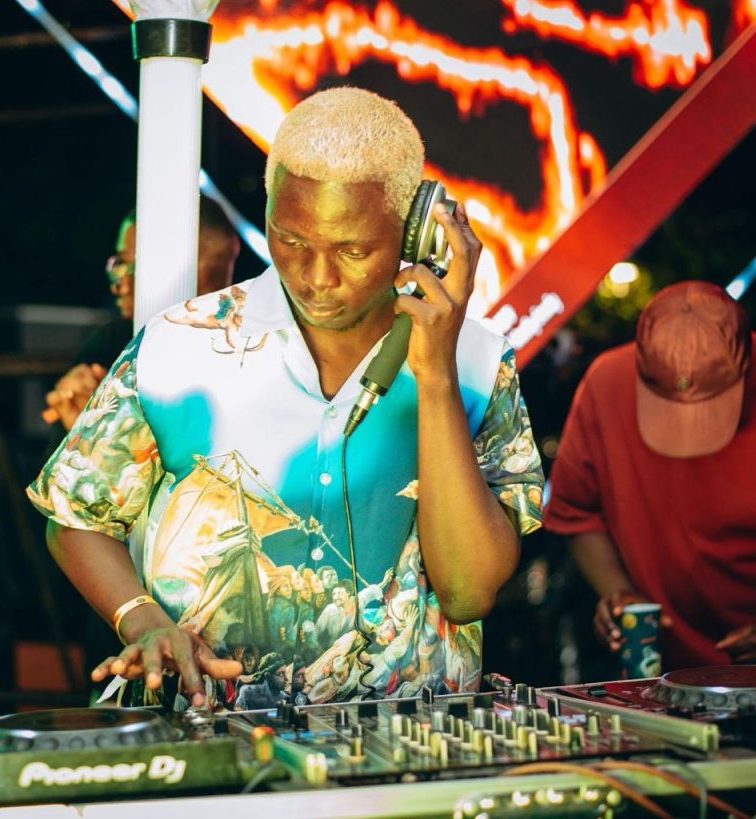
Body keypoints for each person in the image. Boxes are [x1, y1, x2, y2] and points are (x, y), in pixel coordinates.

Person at [27, 87, 543, 709]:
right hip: (201, 737)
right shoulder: (179, 344)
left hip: (408, 746)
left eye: (353, 250)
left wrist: (434, 374)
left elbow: (467, 593)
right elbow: (76, 518)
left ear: (418, 234)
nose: (317, 278)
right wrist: (141, 618)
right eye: (291, 241)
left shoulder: (478, 363)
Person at [544, 280, 756, 670]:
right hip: (663, 672)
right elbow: (576, 513)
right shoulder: (606, 383)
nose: (689, 430)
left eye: (711, 407)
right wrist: (619, 594)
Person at [42, 197, 240, 430]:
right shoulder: (114, 342)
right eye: (118, 266)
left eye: (134, 267)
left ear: (196, 267)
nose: (120, 286)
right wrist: (77, 430)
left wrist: (105, 433)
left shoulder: (246, 356)